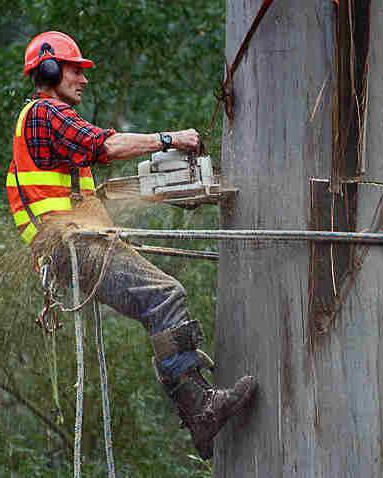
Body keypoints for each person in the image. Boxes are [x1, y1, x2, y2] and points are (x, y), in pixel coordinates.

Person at [6, 31, 257, 460]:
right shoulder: (47, 113)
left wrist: (168, 192)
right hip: (71, 247)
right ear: (48, 70)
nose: (83, 79)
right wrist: (170, 139)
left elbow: (85, 191)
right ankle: (201, 408)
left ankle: (198, 404)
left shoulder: (46, 128)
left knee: (158, 302)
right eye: (74, 69)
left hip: (73, 247)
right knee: (164, 296)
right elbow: (105, 145)